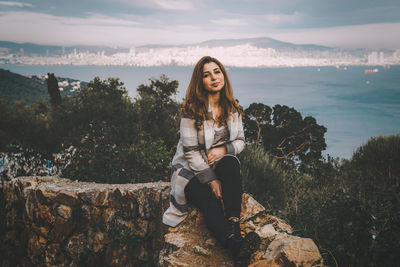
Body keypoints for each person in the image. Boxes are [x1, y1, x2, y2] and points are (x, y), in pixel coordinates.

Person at [162, 56, 260, 264]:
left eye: (217, 72)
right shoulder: (192, 110)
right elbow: (190, 152)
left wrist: (224, 148)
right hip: (190, 170)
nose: (214, 78)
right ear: (200, 82)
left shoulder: (232, 108)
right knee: (209, 199)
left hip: (218, 164)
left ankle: (234, 229)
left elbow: (241, 141)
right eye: (207, 75)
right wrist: (211, 179)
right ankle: (236, 245)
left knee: (232, 163)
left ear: (223, 75)